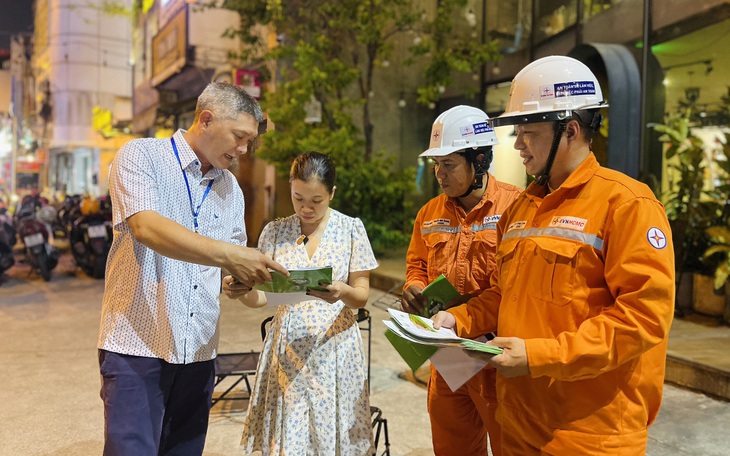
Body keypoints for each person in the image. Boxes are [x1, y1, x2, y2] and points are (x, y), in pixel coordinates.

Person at [433, 55, 675, 455]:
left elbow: (642, 320)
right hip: (517, 423)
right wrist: (455, 319)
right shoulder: (522, 208)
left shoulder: (627, 204)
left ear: (571, 129)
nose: (517, 143)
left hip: (589, 436)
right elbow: (502, 293)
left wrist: (539, 355)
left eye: (528, 131)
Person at [97, 82, 288, 456]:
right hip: (138, 347)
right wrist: (230, 257)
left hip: (199, 354)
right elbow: (146, 227)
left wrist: (240, 281)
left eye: (250, 141)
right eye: (239, 137)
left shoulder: (230, 188)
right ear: (206, 119)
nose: (244, 150)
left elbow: (230, 266)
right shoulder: (141, 156)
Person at [225, 151, 379, 455]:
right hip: (287, 349)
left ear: (332, 193)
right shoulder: (275, 232)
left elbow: (362, 295)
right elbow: (263, 298)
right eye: (298, 199)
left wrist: (341, 292)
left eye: (316, 200)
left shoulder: (350, 229)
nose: (306, 208)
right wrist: (242, 292)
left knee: (332, 437)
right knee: (290, 439)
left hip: (335, 351)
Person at [401, 105, 522, 456]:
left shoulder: (515, 208)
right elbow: (417, 264)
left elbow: (511, 289)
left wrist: (459, 318)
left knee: (509, 446)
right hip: (449, 358)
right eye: (436, 164)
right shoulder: (429, 213)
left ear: (480, 159)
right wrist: (415, 288)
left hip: (497, 359)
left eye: (448, 164)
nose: (439, 174)